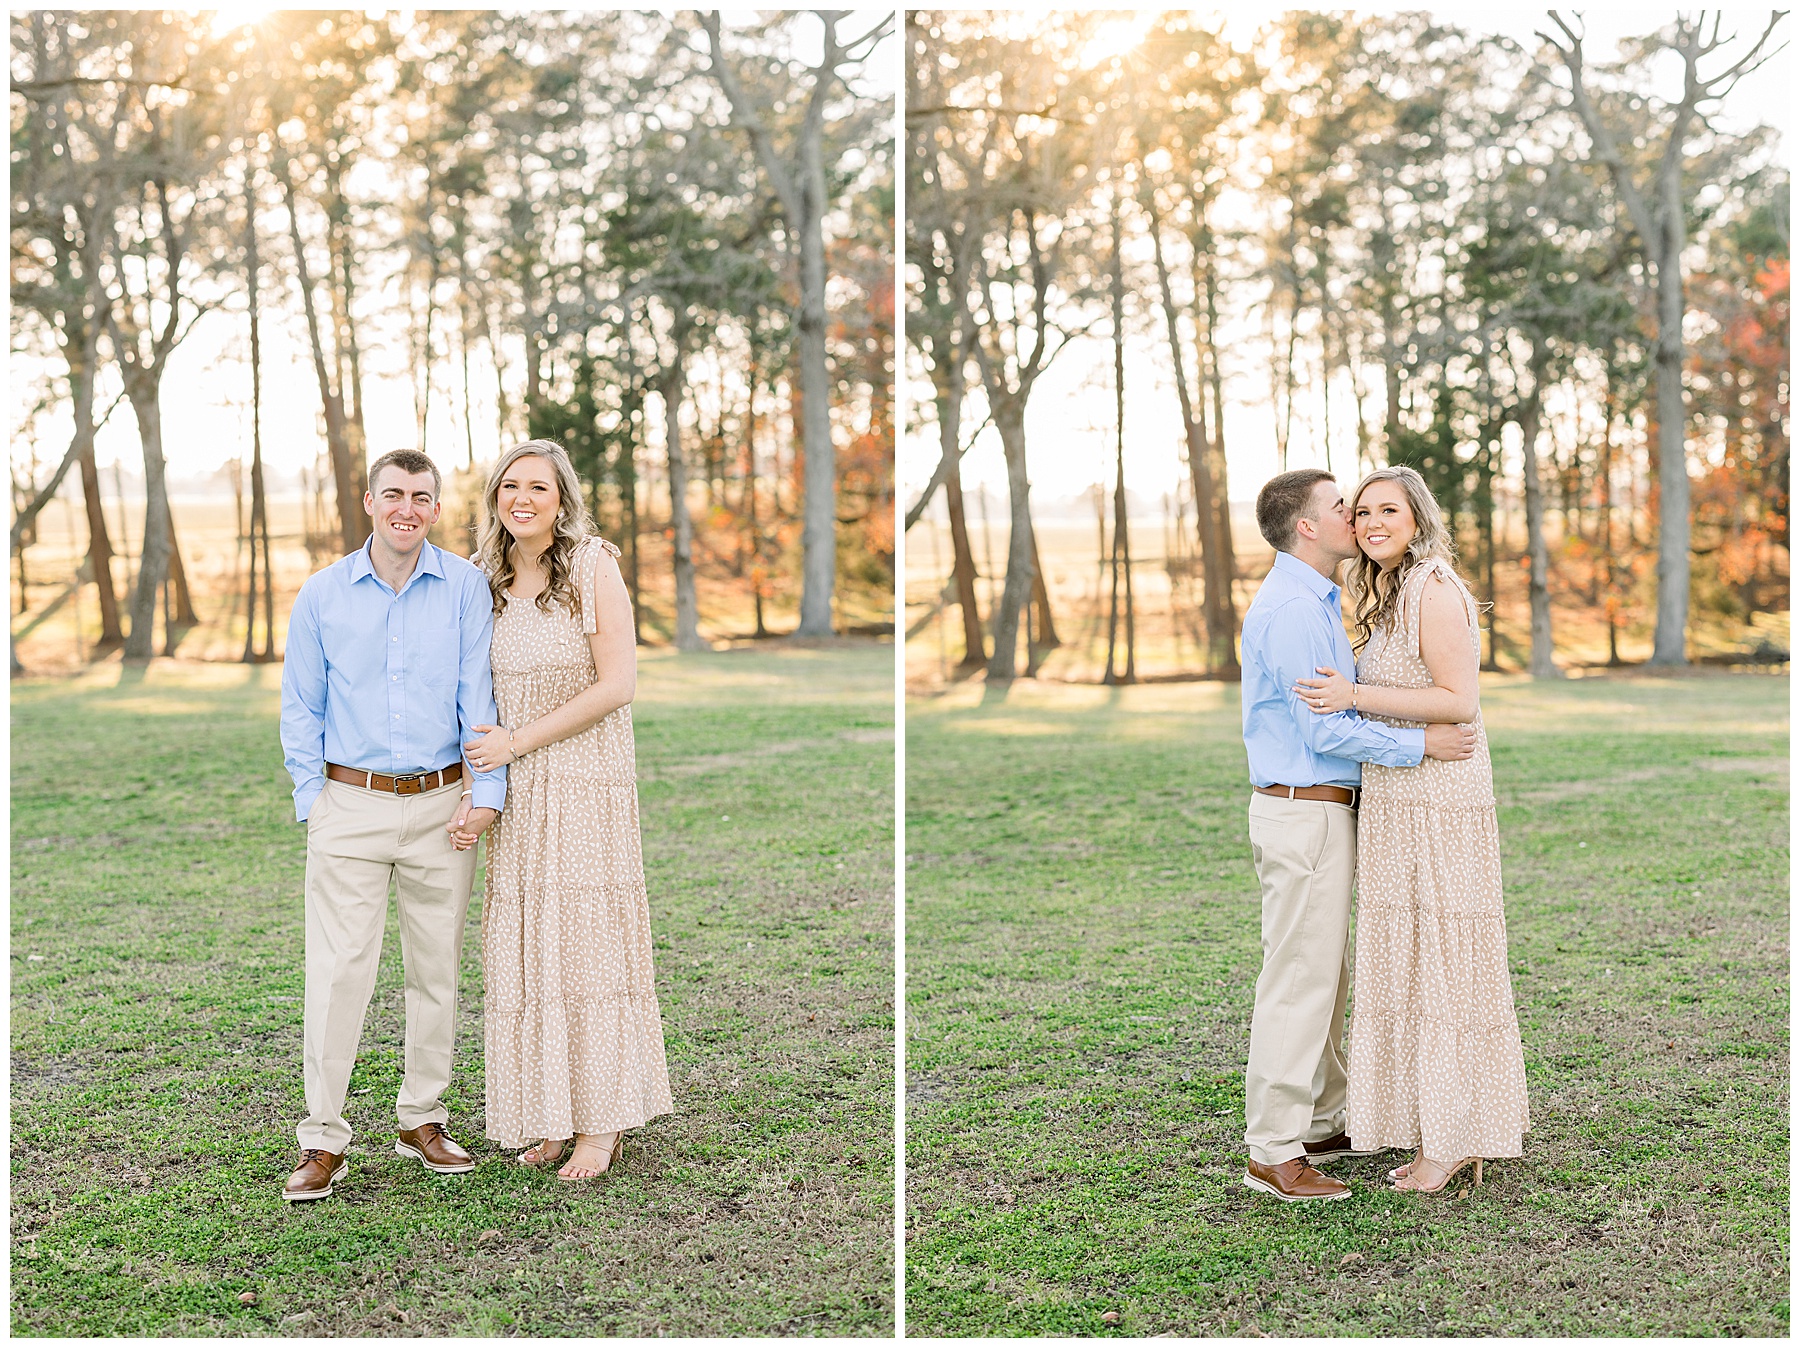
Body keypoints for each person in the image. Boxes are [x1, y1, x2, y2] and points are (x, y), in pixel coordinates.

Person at [1237, 468, 1477, 1203]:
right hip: (1304, 809)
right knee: (1299, 982)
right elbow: (1324, 723)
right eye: (1342, 506)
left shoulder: (1320, 600)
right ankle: (1274, 1150)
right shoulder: (1292, 611)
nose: (1355, 518)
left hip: (1323, 809)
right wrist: (1420, 746)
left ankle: (1322, 1118)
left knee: (1326, 975)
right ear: (1308, 527)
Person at [278, 448, 506, 1202]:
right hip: (349, 805)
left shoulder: (467, 588)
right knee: (340, 972)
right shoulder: (322, 595)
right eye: (394, 495)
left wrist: (487, 792)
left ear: (436, 508)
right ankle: (323, 1137)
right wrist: (315, 800)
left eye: (422, 496)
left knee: (435, 970)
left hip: (444, 806)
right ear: (369, 502)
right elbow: (301, 708)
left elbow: (481, 698)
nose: (408, 507)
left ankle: (422, 1118)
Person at [1294, 465, 1529, 1193]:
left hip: (1439, 793)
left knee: (1443, 961)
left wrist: (1351, 693)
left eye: (1387, 510)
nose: (1371, 524)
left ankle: (1455, 1138)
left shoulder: (1431, 586)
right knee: (1417, 957)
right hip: (1401, 792)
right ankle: (1438, 1124)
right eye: (1361, 513)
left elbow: (1459, 701)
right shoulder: (1393, 590)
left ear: (1417, 519)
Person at [451, 438, 673, 1181]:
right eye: (509, 486)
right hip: (516, 794)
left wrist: (519, 742)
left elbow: (618, 684)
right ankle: (549, 1114)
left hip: (583, 780)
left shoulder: (591, 566)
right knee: (529, 952)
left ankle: (600, 1126)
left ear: (562, 498)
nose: (522, 499)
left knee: (583, 948)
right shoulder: (482, 579)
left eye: (537, 487)